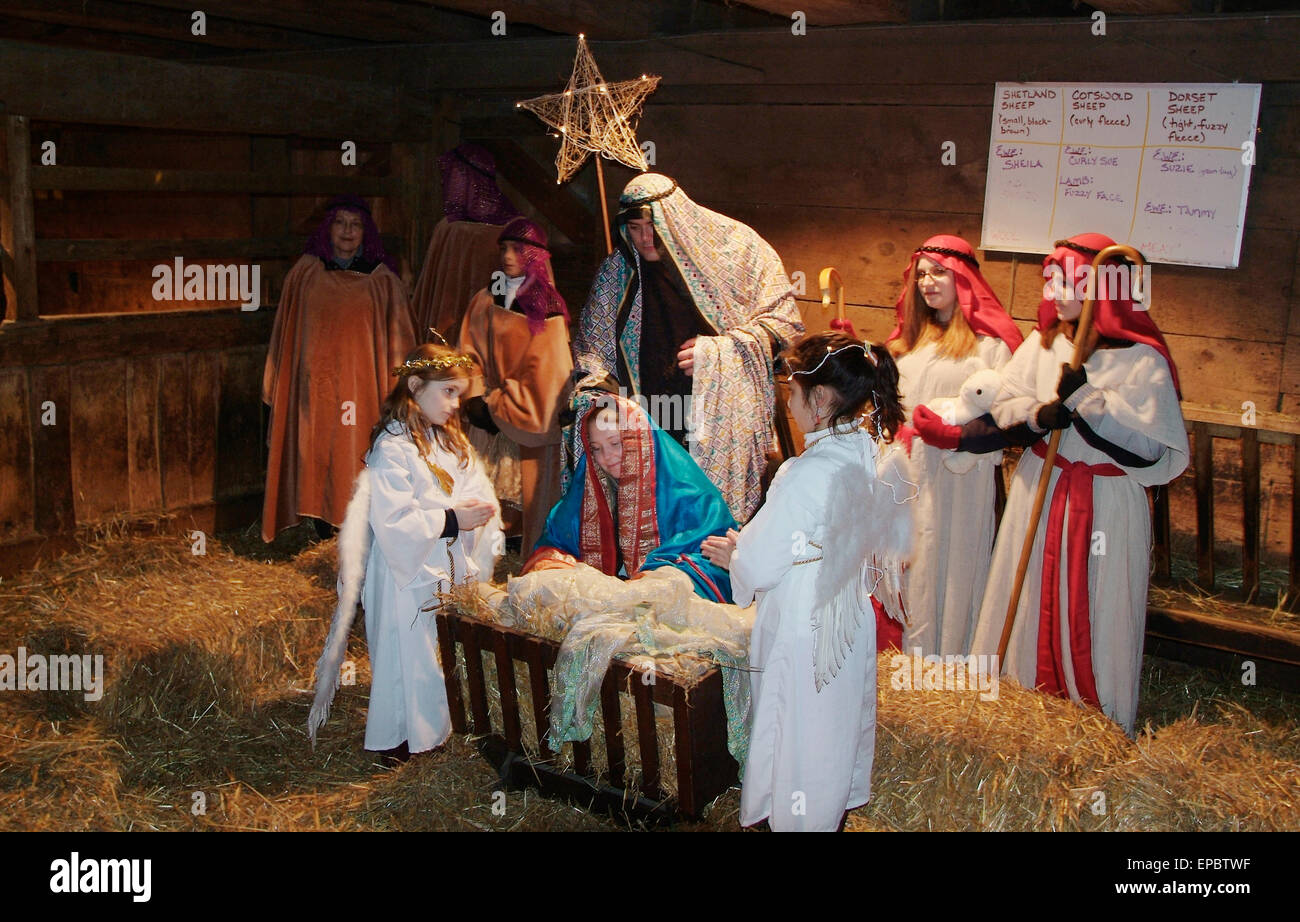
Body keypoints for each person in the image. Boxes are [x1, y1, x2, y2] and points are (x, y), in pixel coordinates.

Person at [970, 233, 1188, 735]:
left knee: (1099, 606)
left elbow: (1148, 448)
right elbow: (1007, 402)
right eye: (1052, 278)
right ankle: (1017, 706)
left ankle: (1099, 722)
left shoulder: (1142, 360)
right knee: (1024, 598)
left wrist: (1088, 401)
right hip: (1040, 493)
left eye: (1068, 278)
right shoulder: (1044, 344)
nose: (1055, 288)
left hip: (1106, 500)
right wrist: (1041, 414)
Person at [702, 331, 914, 832]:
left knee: (796, 727)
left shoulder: (806, 471)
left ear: (818, 400)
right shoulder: (868, 452)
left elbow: (761, 565)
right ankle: (824, 816)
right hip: (846, 616)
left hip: (804, 619)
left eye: (792, 393)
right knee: (829, 731)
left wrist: (738, 554)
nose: (789, 403)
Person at [570, 173, 803, 523]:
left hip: (719, 412)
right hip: (651, 412)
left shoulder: (736, 248)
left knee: (715, 515)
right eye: (634, 228)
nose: (645, 238)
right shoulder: (617, 272)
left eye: (652, 225)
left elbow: (783, 321)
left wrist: (720, 354)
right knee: (660, 516)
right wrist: (595, 389)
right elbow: (594, 347)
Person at [307, 343, 503, 760]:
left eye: (460, 394)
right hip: (402, 576)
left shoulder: (447, 441)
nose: (455, 403)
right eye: (448, 391)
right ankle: (397, 741)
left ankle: (434, 734)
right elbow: (393, 519)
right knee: (405, 658)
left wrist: (480, 510)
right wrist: (452, 520)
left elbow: (468, 485)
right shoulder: (393, 446)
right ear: (415, 386)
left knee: (435, 658)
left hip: (444, 568)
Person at [885, 235, 1023, 656]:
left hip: (956, 476)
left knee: (949, 562)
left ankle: (947, 656)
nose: (928, 282)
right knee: (906, 558)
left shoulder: (990, 346)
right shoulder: (909, 342)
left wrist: (957, 438)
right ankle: (899, 654)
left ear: (963, 278)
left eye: (939, 272)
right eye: (921, 274)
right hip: (904, 470)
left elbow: (1006, 417)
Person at [262, 195, 416, 542]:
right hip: (313, 386)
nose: (347, 232)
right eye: (340, 223)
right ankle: (320, 523)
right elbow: (286, 333)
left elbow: (399, 339)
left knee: (355, 449)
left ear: (366, 232)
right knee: (315, 449)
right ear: (328, 228)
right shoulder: (305, 273)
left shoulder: (381, 280)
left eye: (356, 224)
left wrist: (401, 390)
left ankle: (354, 525)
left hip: (363, 389)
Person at [523, 393, 737, 603]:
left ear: (639, 438)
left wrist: (650, 582)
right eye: (596, 449)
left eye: (615, 443)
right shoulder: (588, 490)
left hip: (656, 601)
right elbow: (554, 544)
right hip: (602, 601)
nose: (607, 457)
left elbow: (714, 564)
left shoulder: (693, 495)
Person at [457, 217, 572, 555]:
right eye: (504, 249)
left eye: (518, 249)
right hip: (486, 413)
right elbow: (468, 350)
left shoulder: (548, 310)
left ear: (535, 256)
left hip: (527, 414)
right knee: (482, 483)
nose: (508, 256)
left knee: (525, 489)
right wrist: (474, 393)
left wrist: (504, 405)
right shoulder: (485, 299)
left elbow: (549, 375)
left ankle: (521, 543)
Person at [412, 144, 522, 341]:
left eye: (457, 175)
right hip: (448, 338)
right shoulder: (448, 228)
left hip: (502, 336)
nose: (449, 182)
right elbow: (431, 288)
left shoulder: (515, 229)